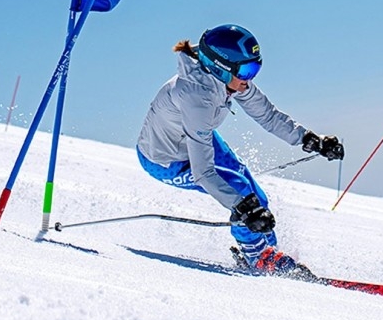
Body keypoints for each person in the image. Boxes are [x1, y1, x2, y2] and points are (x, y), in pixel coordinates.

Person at [136, 24, 344, 276]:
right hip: (165, 160)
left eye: (255, 68)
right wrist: (241, 207)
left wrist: (310, 140)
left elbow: (268, 116)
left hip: (197, 139)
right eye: (246, 70)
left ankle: (268, 251)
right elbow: (203, 173)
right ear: (220, 67)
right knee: (242, 195)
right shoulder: (196, 98)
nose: (250, 78)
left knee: (255, 195)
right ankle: (257, 257)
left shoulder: (230, 82)